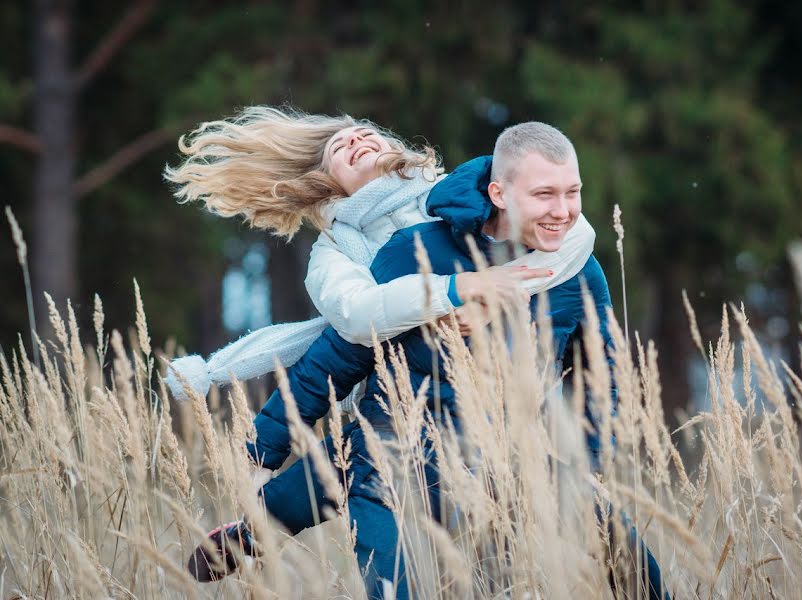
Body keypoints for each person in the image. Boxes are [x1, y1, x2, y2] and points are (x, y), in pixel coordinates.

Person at [188, 122, 668, 600]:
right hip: (393, 437)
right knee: (364, 482)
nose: (561, 209)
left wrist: (589, 460)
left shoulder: (556, 253)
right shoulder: (360, 250)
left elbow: (601, 374)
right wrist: (262, 447)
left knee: (627, 555)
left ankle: (260, 526)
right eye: (340, 146)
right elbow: (340, 347)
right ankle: (260, 526)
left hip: (498, 445)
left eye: (571, 193)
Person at [163, 107, 596, 420]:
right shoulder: (333, 252)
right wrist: (450, 296)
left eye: (367, 134)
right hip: (404, 399)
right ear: (321, 181)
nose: (358, 139)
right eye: (341, 146)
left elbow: (578, 235)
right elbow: (355, 317)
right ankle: (246, 532)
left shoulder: (454, 192)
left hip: (515, 386)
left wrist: (495, 291)